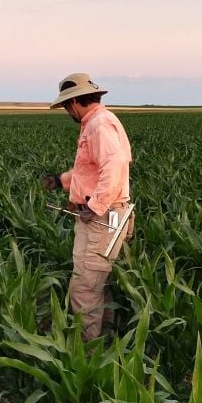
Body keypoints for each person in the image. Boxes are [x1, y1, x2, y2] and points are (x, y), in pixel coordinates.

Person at [42, 72, 134, 340]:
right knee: (99, 280)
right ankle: (106, 337)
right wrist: (61, 181)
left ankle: (88, 354)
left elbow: (114, 168)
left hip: (103, 218)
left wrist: (94, 207)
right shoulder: (99, 122)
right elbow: (90, 172)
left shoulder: (99, 126)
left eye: (65, 107)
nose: (66, 112)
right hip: (114, 214)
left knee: (84, 286)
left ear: (74, 102)